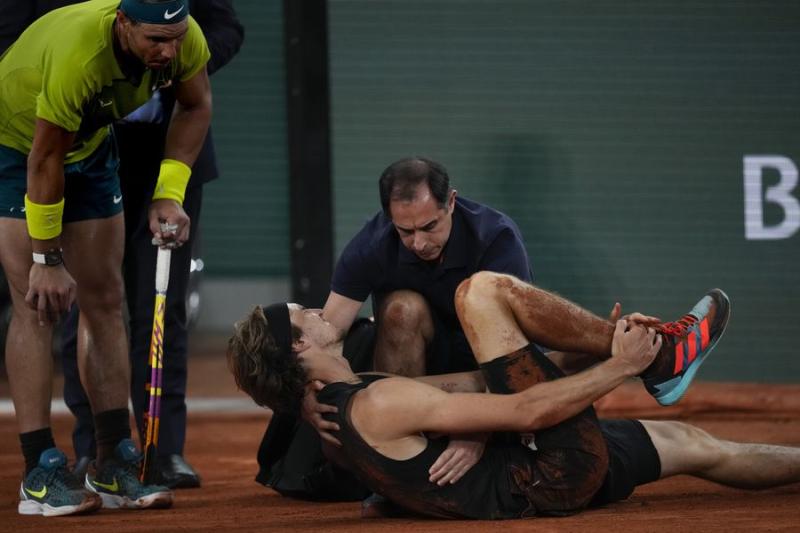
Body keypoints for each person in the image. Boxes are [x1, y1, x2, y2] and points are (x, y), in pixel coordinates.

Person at [229, 274, 800, 519]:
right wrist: (625, 364)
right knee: (480, 293)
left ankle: (661, 358)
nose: (314, 308)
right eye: (303, 314)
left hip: (534, 470)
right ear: (300, 347)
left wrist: (601, 349)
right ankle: (664, 360)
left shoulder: (355, 397)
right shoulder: (375, 405)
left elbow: (484, 384)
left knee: (696, 444)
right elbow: (528, 409)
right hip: (548, 469)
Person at [0, 0, 211, 517]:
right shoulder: (80, 56)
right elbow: (44, 158)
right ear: (123, 24)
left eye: (176, 37)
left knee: (106, 297)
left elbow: (195, 105)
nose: (169, 51)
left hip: (90, 146)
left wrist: (170, 192)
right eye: (154, 40)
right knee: (36, 303)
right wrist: (47, 259)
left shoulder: (185, 39)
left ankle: (112, 457)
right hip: (15, 144)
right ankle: (39, 471)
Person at [59, 0, 244, 490]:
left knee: (162, 305)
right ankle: (93, 449)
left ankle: (163, 450)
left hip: (171, 148)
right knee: (86, 305)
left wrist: (171, 56)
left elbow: (226, 26)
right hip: (84, 149)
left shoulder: (179, 44)